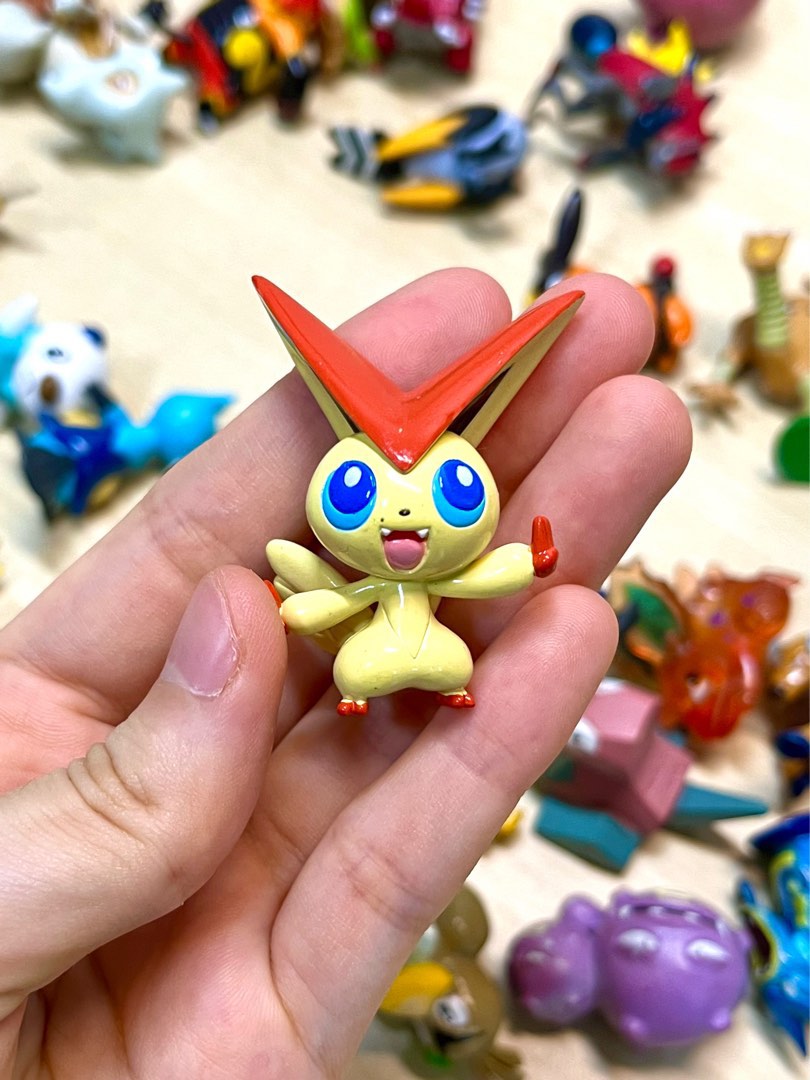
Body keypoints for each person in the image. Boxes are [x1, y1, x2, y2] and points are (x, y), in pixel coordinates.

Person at [0, 268, 691, 1077]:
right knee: (365, 665)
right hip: (371, 653)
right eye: (361, 490)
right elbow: (327, 600)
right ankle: (379, 692)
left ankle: (437, 684)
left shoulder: (444, 569)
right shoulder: (363, 574)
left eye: (448, 490)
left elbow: (485, 578)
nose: (402, 513)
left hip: (432, 649)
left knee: (451, 658)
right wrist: (289, 602)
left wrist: (532, 562)